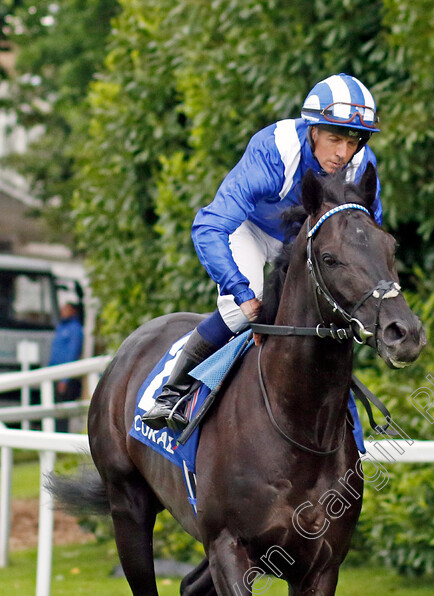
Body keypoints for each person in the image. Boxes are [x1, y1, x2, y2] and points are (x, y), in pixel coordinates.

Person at [143, 73, 382, 431]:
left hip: (301, 241)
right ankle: (172, 392)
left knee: (326, 315)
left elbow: (369, 240)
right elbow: (209, 226)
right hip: (250, 231)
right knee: (244, 310)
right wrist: (240, 292)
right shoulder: (275, 150)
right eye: (334, 139)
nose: (343, 153)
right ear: (313, 130)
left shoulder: (361, 165)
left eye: (353, 142)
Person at [49, 299, 84, 433]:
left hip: (65, 378)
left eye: (66, 308)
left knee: (62, 411)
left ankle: (61, 437)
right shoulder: (61, 327)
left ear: (73, 311)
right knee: (53, 409)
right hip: (54, 375)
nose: (62, 311)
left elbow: (72, 354)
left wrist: (65, 379)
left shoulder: (75, 330)